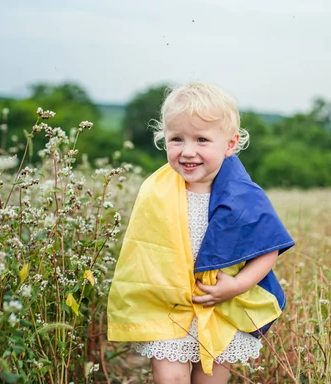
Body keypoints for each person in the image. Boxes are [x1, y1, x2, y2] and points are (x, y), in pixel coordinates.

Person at [107, 82, 294, 384]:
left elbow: (267, 248)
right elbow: (143, 250)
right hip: (168, 306)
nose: (188, 151)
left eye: (202, 140)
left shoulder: (243, 196)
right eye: (176, 139)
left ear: (230, 144)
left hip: (219, 306)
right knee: (171, 379)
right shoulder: (157, 191)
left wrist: (236, 285)